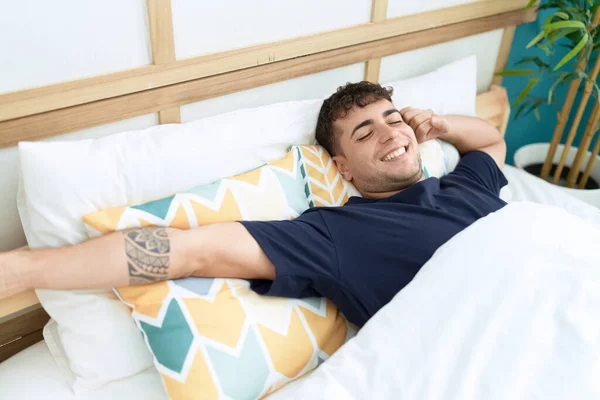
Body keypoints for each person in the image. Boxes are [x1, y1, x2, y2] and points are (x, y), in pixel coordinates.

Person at [0, 82, 507, 327]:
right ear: (344, 169)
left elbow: (490, 144)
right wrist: (21, 270)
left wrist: (440, 126)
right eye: (364, 131)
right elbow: (190, 251)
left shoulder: (464, 186)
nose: (390, 133)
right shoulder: (339, 233)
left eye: (393, 118)